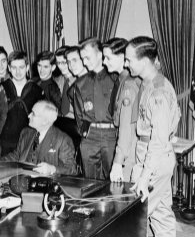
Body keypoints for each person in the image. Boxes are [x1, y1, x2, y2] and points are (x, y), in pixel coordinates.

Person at [125, 36, 181, 237]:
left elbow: (158, 141)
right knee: (161, 216)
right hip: (154, 156)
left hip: (154, 159)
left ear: (144, 61)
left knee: (133, 216)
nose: (126, 63)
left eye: (129, 59)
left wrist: (144, 176)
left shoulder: (159, 92)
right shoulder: (150, 83)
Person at [0, 100, 77, 176]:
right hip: (22, 180)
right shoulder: (26, 132)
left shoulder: (62, 140)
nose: (29, 115)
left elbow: (71, 170)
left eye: (33, 114)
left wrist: (52, 169)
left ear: (45, 121)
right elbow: (17, 155)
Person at [72, 37, 118, 180]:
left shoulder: (116, 79)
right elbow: (79, 114)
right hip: (90, 137)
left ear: (100, 55)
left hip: (111, 135)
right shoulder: (80, 83)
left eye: (87, 58)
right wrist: (85, 133)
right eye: (82, 59)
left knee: (114, 182)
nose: (84, 63)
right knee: (90, 183)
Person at [102, 38, 141, 182]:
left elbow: (126, 127)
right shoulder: (122, 80)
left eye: (108, 58)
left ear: (121, 57)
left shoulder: (129, 85)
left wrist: (118, 162)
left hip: (130, 150)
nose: (104, 62)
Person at [0, 51, 44, 155]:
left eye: (21, 67)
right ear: (9, 68)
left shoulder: (37, 90)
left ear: (27, 67)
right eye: (14, 68)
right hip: (4, 141)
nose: (18, 71)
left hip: (28, 142)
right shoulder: (1, 88)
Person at [53, 45, 83, 175]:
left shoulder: (81, 81)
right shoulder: (58, 81)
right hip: (62, 129)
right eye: (59, 63)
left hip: (77, 130)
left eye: (65, 62)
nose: (62, 67)